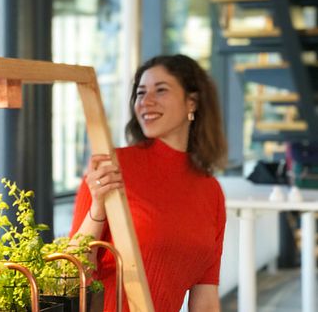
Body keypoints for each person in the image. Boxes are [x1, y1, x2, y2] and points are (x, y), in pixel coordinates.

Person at [70, 54, 227, 312]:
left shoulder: (211, 192)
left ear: (192, 102)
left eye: (161, 90)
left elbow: (206, 298)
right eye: (141, 93)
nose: (146, 102)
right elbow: (72, 271)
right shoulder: (112, 165)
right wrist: (97, 208)